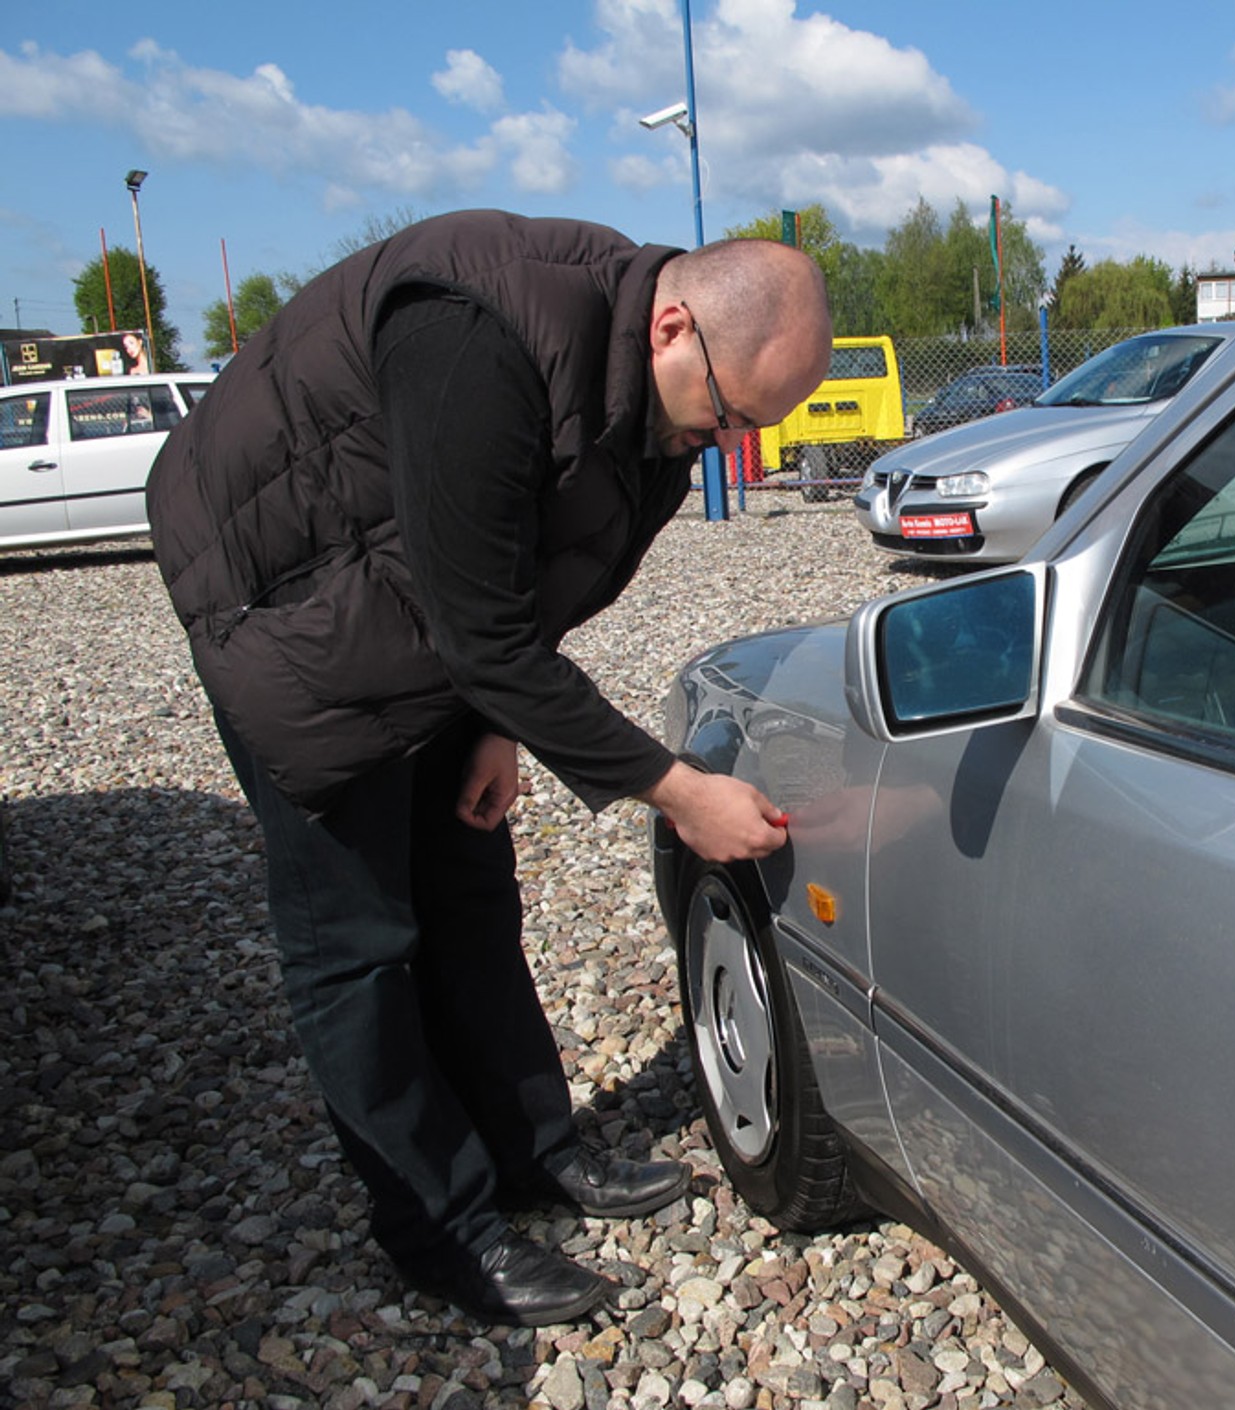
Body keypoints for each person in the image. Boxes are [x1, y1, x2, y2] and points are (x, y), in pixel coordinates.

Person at [145, 211, 832, 1327]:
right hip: (284, 609)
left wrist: (496, 725)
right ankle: (442, 1231)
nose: (728, 444)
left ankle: (532, 1157)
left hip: (420, 606)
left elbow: (523, 582)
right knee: (360, 947)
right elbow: (481, 630)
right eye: (732, 412)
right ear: (671, 325)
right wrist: (674, 787)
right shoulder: (477, 339)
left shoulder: (649, 401)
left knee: (469, 892)